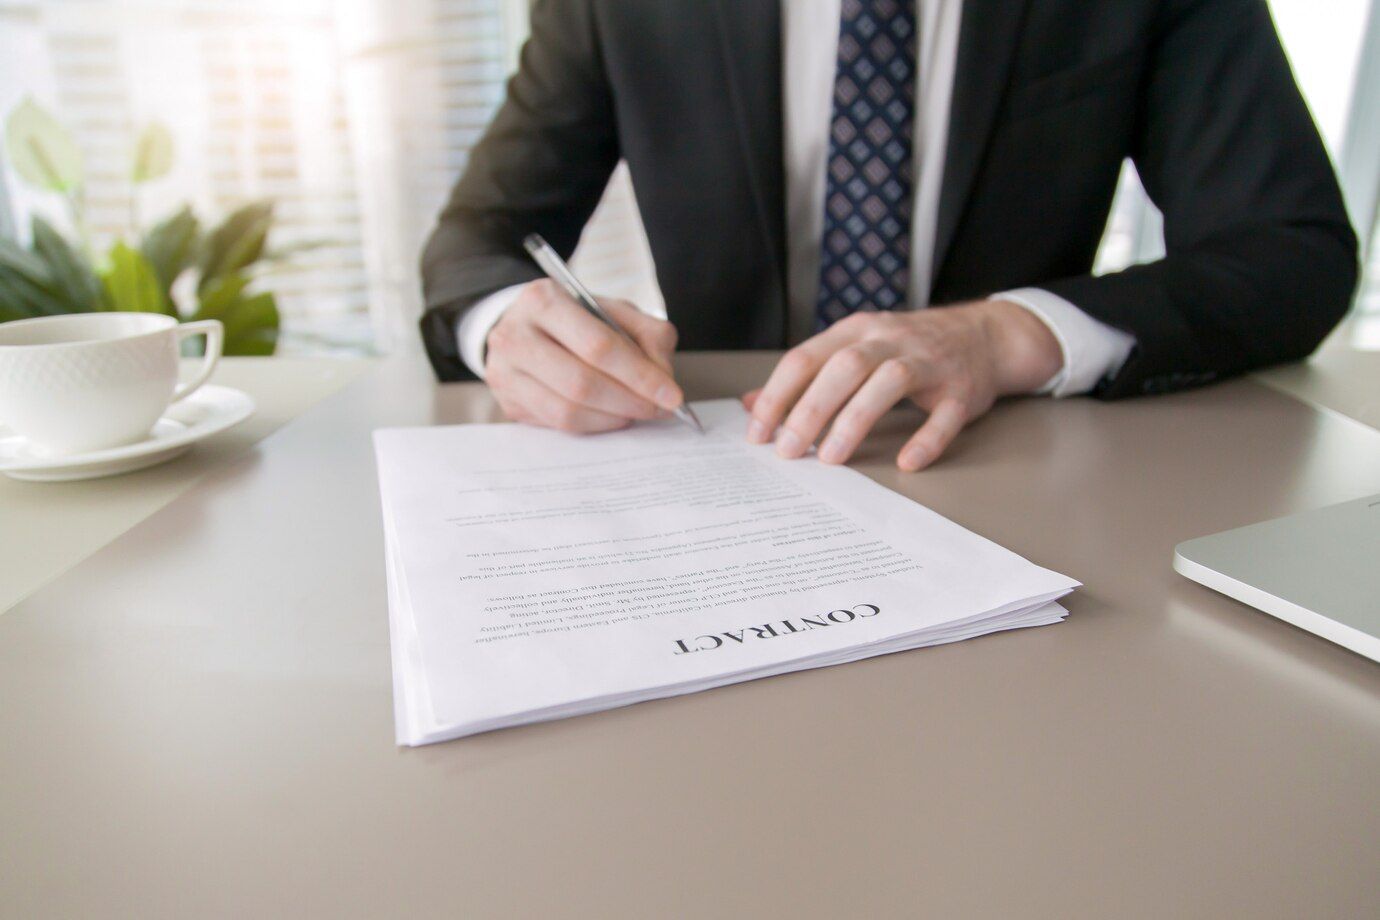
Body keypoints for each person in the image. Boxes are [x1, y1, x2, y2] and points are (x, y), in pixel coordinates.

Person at [419, 0, 1357, 471]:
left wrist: (1004, 334)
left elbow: (1293, 247)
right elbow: (480, 237)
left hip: (1014, 468)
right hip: (721, 465)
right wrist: (508, 323)